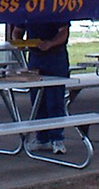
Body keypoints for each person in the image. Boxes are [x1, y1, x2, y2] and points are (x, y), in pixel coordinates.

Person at [11, 20, 70, 155]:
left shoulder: (56, 11)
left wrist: (50, 43)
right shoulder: (26, 12)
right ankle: (42, 138)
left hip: (55, 57)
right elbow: (17, 31)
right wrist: (19, 42)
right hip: (35, 58)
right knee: (37, 100)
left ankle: (57, 138)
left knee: (55, 100)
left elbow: (64, 32)